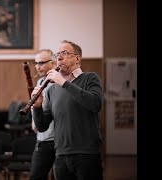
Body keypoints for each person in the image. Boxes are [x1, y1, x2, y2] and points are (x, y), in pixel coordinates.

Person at [32, 40, 103, 180]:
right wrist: (37, 106)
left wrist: (64, 83)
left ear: (77, 58)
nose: (59, 57)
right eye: (57, 54)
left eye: (64, 53)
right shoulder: (52, 89)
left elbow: (95, 104)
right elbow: (42, 126)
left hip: (87, 154)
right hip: (61, 156)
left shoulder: (90, 78)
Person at [29, 49, 56, 180]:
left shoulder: (59, 82)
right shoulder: (40, 82)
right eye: (36, 63)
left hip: (58, 140)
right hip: (42, 139)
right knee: (35, 176)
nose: (37, 67)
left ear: (53, 63)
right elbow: (37, 104)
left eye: (41, 63)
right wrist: (34, 120)